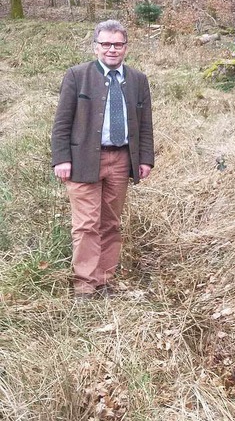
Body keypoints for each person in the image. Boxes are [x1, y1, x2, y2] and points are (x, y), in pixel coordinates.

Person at [51, 20, 154, 299]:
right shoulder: (76, 75)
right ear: (96, 46)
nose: (112, 49)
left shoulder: (137, 79)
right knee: (86, 224)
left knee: (110, 223)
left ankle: (104, 280)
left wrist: (145, 159)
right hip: (83, 160)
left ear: (125, 48)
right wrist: (61, 158)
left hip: (120, 160)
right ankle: (85, 284)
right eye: (106, 44)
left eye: (117, 44)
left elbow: (145, 124)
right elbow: (62, 122)